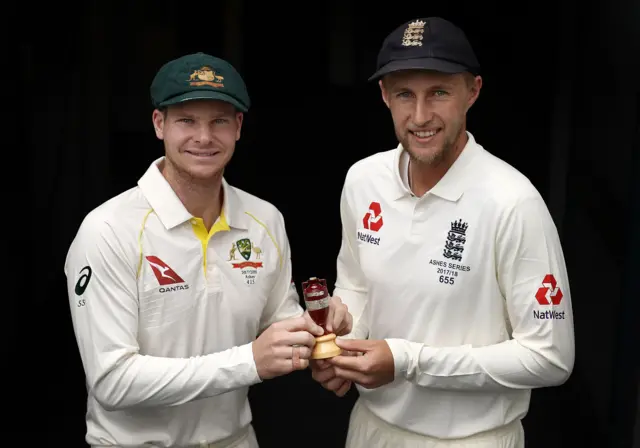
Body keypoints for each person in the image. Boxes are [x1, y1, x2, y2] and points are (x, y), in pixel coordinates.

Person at [64, 52, 353, 448]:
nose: (204, 137)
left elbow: (276, 324)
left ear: (238, 127)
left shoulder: (264, 219)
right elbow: (112, 381)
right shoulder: (109, 229)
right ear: (158, 124)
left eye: (218, 120)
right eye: (187, 120)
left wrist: (319, 333)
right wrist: (249, 362)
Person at [310, 17, 575, 448]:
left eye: (438, 92)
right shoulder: (363, 180)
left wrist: (409, 362)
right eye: (404, 94)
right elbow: (356, 287)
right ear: (384, 96)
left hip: (473, 438)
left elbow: (550, 358)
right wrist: (343, 343)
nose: (420, 116)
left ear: (472, 91)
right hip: (370, 427)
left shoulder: (512, 201)